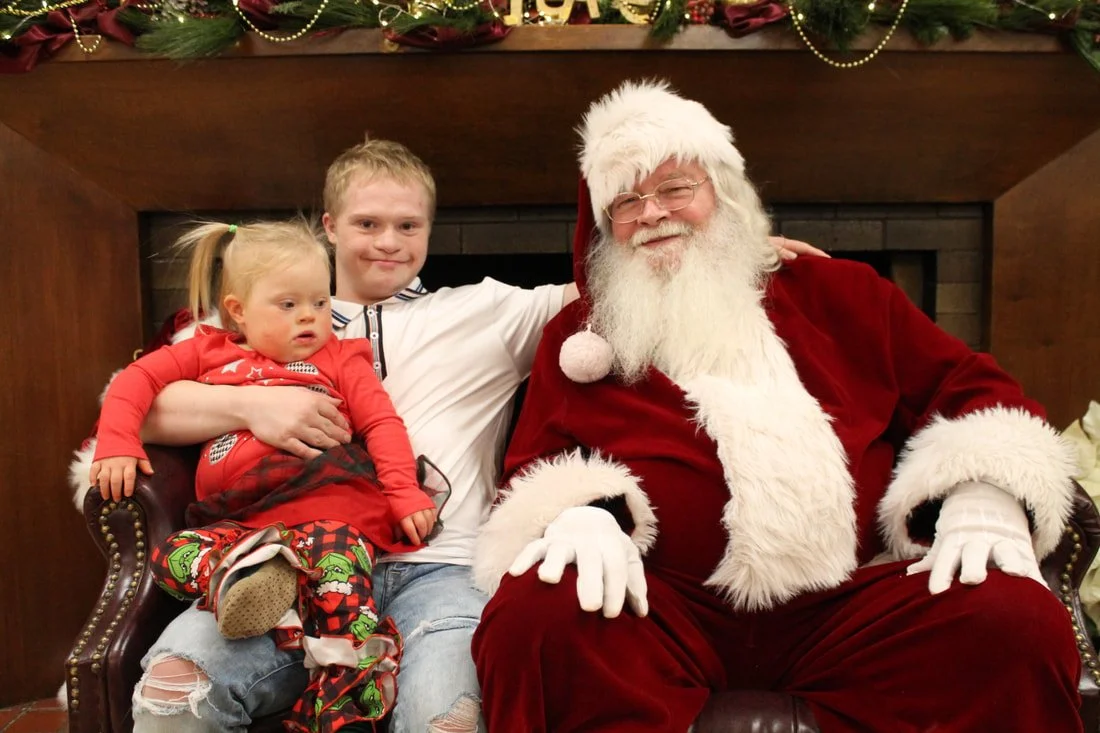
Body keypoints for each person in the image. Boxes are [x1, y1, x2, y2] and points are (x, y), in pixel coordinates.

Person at [71, 138, 821, 733]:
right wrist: (252, 410)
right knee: (177, 691)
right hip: (283, 565)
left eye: (408, 225)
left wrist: (732, 249)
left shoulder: (488, 312)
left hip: (444, 568)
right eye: (367, 224)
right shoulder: (262, 319)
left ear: (430, 228)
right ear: (330, 226)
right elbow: (141, 405)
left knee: (445, 718)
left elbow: (625, 289)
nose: (388, 242)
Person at [469, 79, 1083, 733]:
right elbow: (535, 466)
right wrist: (581, 515)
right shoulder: (578, 342)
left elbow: (973, 387)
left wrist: (979, 491)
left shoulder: (844, 294)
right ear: (604, 229)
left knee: (1015, 621)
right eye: (625, 200)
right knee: (531, 618)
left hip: (849, 610)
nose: (650, 214)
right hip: (661, 609)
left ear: (723, 195)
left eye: (675, 189)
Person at [90, 219, 437, 732]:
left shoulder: (340, 358)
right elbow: (136, 379)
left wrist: (404, 492)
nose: (310, 318)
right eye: (288, 304)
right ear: (237, 311)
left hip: (328, 511)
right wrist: (116, 441)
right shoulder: (207, 352)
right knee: (175, 554)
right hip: (244, 523)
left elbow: (382, 423)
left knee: (341, 592)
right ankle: (253, 575)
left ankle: (347, 695)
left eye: (320, 303)